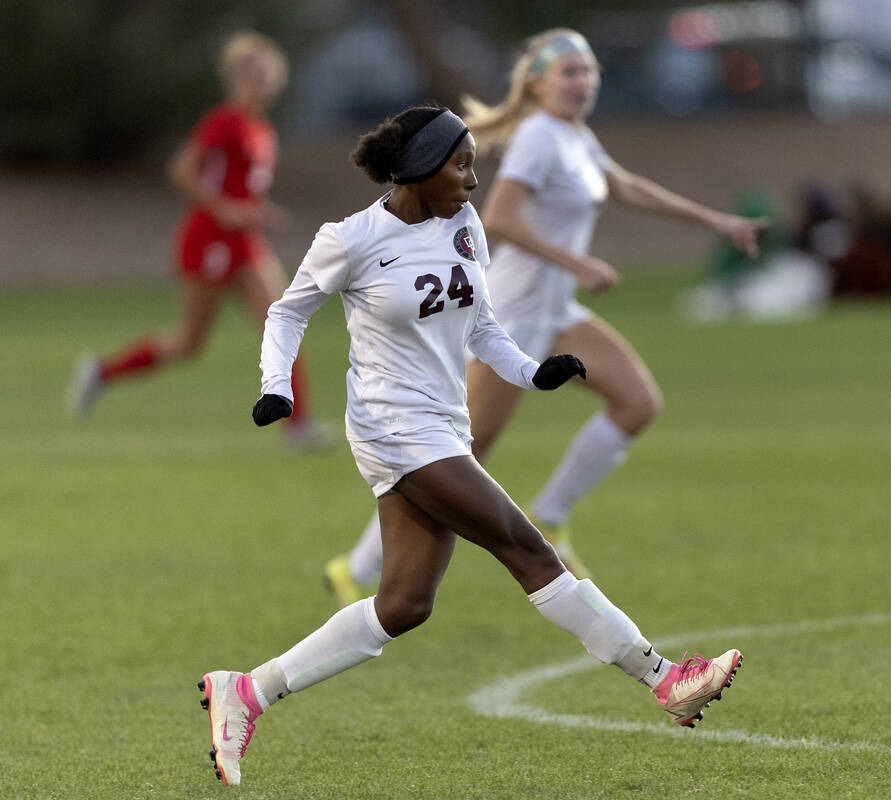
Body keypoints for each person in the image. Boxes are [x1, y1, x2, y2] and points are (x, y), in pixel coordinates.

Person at [198, 106, 743, 787]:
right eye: (461, 165)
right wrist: (275, 387)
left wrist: (532, 372)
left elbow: (482, 325)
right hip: (393, 428)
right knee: (528, 548)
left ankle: (246, 692)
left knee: (404, 604)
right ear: (420, 170)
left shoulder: (462, 225)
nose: (475, 180)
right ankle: (664, 678)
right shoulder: (351, 239)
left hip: (443, 424)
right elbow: (287, 311)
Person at [322, 28, 765, 602]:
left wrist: (717, 223)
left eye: (589, 71)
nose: (583, 82)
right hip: (513, 315)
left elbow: (625, 186)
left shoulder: (574, 136)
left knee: (636, 403)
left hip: (558, 309)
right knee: (461, 455)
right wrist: (575, 261)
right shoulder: (538, 137)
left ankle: (551, 514)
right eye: (569, 72)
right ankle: (355, 572)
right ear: (538, 82)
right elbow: (501, 216)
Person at [67, 31, 328, 448]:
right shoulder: (224, 120)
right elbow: (182, 169)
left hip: (245, 242)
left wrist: (258, 211)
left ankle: (296, 427)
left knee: (283, 321)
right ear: (233, 77)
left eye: (262, 73)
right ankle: (101, 373)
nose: (255, 80)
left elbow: (243, 187)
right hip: (208, 239)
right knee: (188, 343)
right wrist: (224, 208)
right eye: (247, 72)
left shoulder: (262, 130)